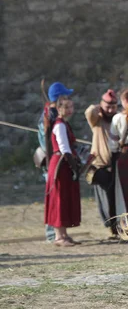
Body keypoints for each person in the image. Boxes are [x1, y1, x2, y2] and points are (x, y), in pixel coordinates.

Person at [44, 93, 81, 247]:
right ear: (59, 108)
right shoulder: (59, 125)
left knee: (64, 198)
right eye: (66, 107)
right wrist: (74, 167)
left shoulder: (64, 124)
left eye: (71, 106)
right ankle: (59, 236)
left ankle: (64, 234)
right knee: (59, 199)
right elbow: (64, 148)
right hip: (60, 164)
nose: (69, 110)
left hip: (64, 164)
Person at [37, 82, 72, 242]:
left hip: (54, 162)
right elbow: (48, 142)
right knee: (54, 199)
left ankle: (57, 234)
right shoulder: (49, 116)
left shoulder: (50, 114)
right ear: (60, 98)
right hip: (53, 162)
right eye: (65, 95)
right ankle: (53, 235)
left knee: (57, 198)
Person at [85, 89, 122, 239]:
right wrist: (100, 105)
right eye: (107, 107)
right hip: (100, 167)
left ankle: (117, 227)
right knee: (106, 199)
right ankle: (111, 227)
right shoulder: (97, 120)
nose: (110, 110)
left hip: (116, 167)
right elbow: (89, 111)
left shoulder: (118, 119)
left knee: (116, 198)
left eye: (113, 107)